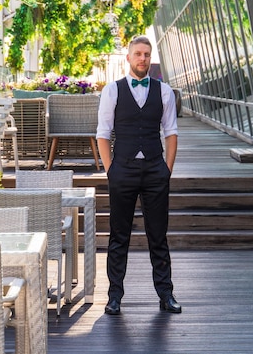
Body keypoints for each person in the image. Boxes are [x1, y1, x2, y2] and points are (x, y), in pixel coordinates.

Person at [96, 35, 181, 315]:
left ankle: (166, 294)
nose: (142, 58)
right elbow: (103, 134)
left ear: (150, 57)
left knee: (158, 235)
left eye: (146, 54)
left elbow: (170, 132)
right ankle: (114, 296)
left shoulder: (164, 91)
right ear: (129, 58)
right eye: (138, 54)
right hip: (123, 170)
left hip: (156, 170)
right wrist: (112, 171)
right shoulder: (112, 91)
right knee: (119, 236)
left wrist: (166, 170)